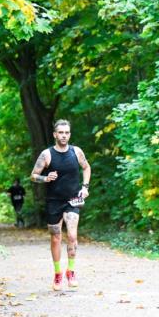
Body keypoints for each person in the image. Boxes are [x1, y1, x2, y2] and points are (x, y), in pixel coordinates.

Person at [30, 120, 91, 291]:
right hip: (53, 201)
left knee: (72, 235)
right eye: (61, 132)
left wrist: (85, 188)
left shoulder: (76, 152)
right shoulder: (47, 155)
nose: (64, 135)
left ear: (69, 134)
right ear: (55, 135)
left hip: (72, 200)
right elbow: (33, 175)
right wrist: (45, 178)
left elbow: (86, 168)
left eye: (67, 132)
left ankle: (70, 272)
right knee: (56, 237)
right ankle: (58, 274)